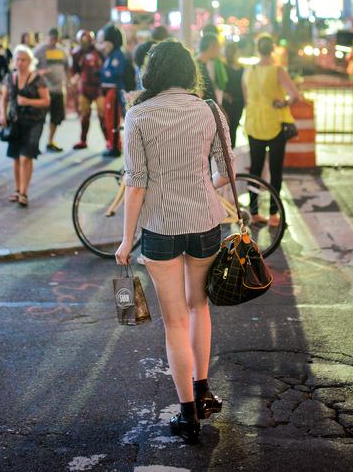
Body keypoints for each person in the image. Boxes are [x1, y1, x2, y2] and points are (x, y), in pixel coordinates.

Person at [114, 40, 230, 444]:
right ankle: (203, 392)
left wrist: (126, 239)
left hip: (160, 227)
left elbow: (136, 184)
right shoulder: (209, 110)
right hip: (205, 223)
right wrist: (198, 185)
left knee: (175, 320)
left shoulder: (138, 115)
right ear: (188, 71)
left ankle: (187, 415)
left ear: (153, 73)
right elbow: (224, 168)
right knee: (199, 307)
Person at [242, 34, 303, 229]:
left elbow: (246, 98)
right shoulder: (277, 70)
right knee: (275, 170)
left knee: (255, 169)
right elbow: (295, 95)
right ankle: (274, 215)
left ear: (257, 49)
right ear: (272, 49)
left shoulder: (248, 71)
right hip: (274, 123)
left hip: (253, 123)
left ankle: (253, 212)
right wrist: (283, 102)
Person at [0, 45, 50, 208]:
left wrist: (28, 101)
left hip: (34, 122)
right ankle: (17, 189)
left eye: (23, 60)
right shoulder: (10, 78)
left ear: (30, 62)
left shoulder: (37, 79)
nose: (20, 63)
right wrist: (2, 113)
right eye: (18, 60)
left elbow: (46, 101)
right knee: (16, 156)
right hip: (15, 122)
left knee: (25, 157)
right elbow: (4, 98)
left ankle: (24, 192)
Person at [33, 27, 70, 152]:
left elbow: (66, 67)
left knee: (56, 118)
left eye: (55, 39)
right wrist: (40, 72)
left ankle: (50, 141)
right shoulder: (39, 51)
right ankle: (35, 144)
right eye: (51, 38)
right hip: (44, 90)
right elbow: (31, 67)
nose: (53, 41)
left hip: (58, 89)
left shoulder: (61, 51)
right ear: (47, 37)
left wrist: (68, 82)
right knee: (40, 118)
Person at [98, 24, 131, 158]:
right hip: (111, 91)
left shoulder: (118, 55)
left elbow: (114, 72)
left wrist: (103, 72)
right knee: (110, 119)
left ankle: (115, 146)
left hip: (115, 91)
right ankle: (113, 144)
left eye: (105, 41)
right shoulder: (112, 55)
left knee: (113, 119)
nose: (103, 45)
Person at [71, 29, 104, 150]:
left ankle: (108, 141)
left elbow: (105, 66)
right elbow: (75, 70)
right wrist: (74, 79)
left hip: (98, 87)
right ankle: (83, 140)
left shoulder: (99, 51)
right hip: (84, 87)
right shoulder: (77, 53)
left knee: (103, 115)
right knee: (84, 116)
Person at [221, 41, 246, 146]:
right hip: (227, 103)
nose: (229, 54)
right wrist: (224, 94)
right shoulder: (223, 67)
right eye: (228, 52)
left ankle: (231, 154)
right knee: (226, 130)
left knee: (234, 129)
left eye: (231, 52)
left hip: (239, 102)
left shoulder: (242, 68)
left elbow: (244, 86)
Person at [196, 33, 224, 102]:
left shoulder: (201, 65)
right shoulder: (197, 67)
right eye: (218, 47)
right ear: (212, 46)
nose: (219, 51)